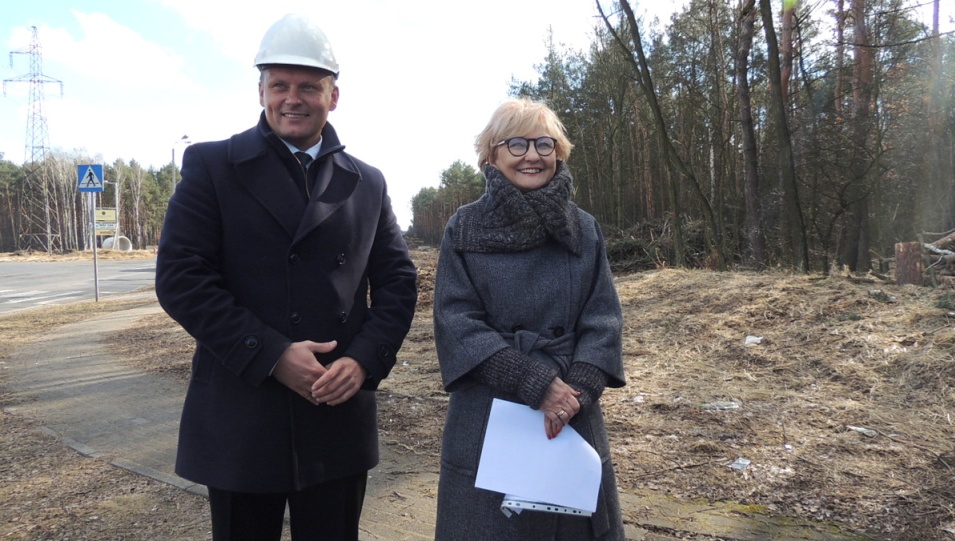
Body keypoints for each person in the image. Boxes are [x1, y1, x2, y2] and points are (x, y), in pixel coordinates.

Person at [154, 13, 417, 541]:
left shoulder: (367, 181)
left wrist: (363, 361)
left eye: (308, 87)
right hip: (242, 414)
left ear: (333, 97)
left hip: (336, 412)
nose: (292, 99)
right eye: (280, 86)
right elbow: (181, 277)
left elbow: (398, 282)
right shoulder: (212, 165)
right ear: (261, 91)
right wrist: (271, 354)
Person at [432, 98, 626, 540]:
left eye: (545, 143)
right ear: (491, 156)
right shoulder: (464, 227)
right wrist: (531, 382)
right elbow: (455, 319)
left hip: (570, 412)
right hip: (489, 410)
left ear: (559, 153)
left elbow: (604, 317)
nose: (532, 155)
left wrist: (579, 388)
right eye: (515, 144)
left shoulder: (584, 228)